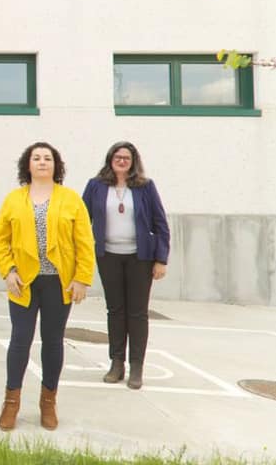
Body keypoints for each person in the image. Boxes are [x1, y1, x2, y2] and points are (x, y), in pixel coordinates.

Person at [0, 142, 94, 431]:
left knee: (52, 341)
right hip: (23, 283)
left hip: (58, 284)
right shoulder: (14, 199)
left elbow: (85, 241)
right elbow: (0, 240)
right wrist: (8, 271)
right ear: (28, 164)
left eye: (47, 158)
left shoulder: (71, 199)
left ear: (55, 165)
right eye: (36, 158)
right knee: (20, 340)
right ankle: (11, 402)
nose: (41, 162)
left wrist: (82, 278)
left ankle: (48, 402)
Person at [82, 141, 170, 390]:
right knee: (115, 311)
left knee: (138, 313)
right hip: (108, 256)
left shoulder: (145, 187)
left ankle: (136, 366)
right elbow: (82, 219)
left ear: (133, 162)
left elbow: (160, 223)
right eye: (117, 157)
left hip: (140, 258)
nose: (121, 161)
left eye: (126, 158)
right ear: (110, 160)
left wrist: (161, 259)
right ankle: (117, 363)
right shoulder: (96, 186)